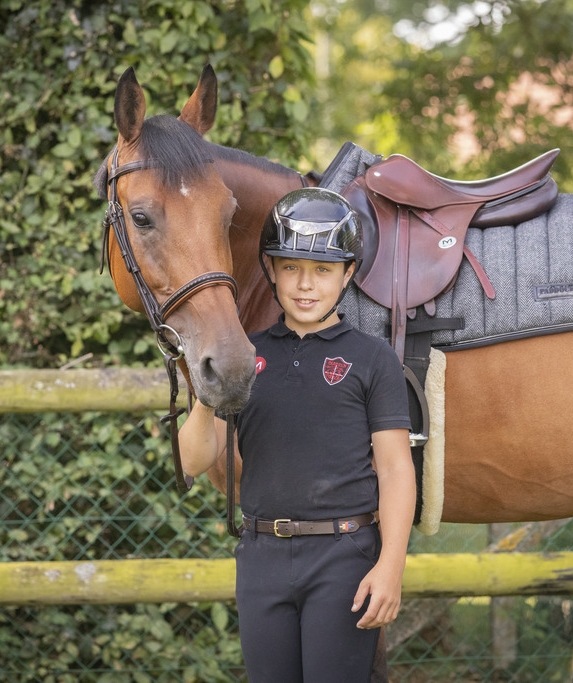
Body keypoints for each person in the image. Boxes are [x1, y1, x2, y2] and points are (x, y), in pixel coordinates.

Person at [178, 187, 416, 683]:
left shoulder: (374, 359)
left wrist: (391, 564)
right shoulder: (245, 356)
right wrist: (207, 389)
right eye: (291, 267)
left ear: (348, 273)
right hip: (261, 557)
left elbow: (395, 469)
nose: (305, 285)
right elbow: (191, 462)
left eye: (323, 270)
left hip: (344, 557)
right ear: (270, 269)